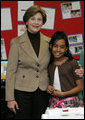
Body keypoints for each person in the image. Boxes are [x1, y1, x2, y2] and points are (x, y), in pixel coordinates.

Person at [5, 5, 83, 119]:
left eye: (39, 19)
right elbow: (10, 71)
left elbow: (61, 59)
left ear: (43, 22)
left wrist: (79, 68)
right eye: (32, 19)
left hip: (43, 90)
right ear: (26, 21)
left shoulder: (48, 42)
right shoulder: (16, 43)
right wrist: (10, 99)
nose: (36, 22)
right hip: (22, 91)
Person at [47, 31, 83, 108]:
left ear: (66, 49)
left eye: (62, 47)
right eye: (55, 46)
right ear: (51, 46)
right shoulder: (50, 65)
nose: (58, 50)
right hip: (54, 103)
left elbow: (80, 87)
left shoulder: (72, 63)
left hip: (71, 104)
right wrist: (49, 88)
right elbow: (51, 83)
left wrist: (64, 94)